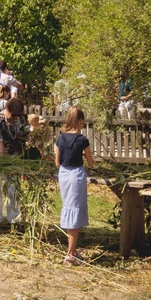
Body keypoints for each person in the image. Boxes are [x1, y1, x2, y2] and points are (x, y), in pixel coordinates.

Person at [55, 107, 94, 265]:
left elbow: (57, 162)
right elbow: (91, 163)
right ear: (80, 121)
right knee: (75, 212)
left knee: (69, 208)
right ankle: (70, 254)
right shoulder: (82, 140)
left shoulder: (60, 138)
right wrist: (84, 155)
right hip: (76, 176)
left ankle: (73, 250)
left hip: (63, 175)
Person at [0, 97, 29, 224]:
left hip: (13, 154)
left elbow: (26, 133)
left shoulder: (20, 119)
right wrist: (2, 163)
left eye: (17, 115)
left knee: (13, 185)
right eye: (13, 114)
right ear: (6, 109)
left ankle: (14, 219)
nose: (15, 117)